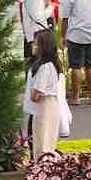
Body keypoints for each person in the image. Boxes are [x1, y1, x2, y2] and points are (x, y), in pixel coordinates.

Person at [24, 28, 69, 157]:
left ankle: (42, 169)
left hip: (45, 106)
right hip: (46, 106)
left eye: (36, 43)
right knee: (43, 138)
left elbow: (36, 93)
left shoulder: (45, 67)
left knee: (43, 141)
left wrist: (33, 94)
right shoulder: (49, 64)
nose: (33, 45)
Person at [18, 0, 50, 65]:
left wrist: (23, 23)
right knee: (45, 54)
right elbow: (54, 1)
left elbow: (21, 4)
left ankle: (29, 76)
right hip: (43, 20)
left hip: (28, 23)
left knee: (29, 54)